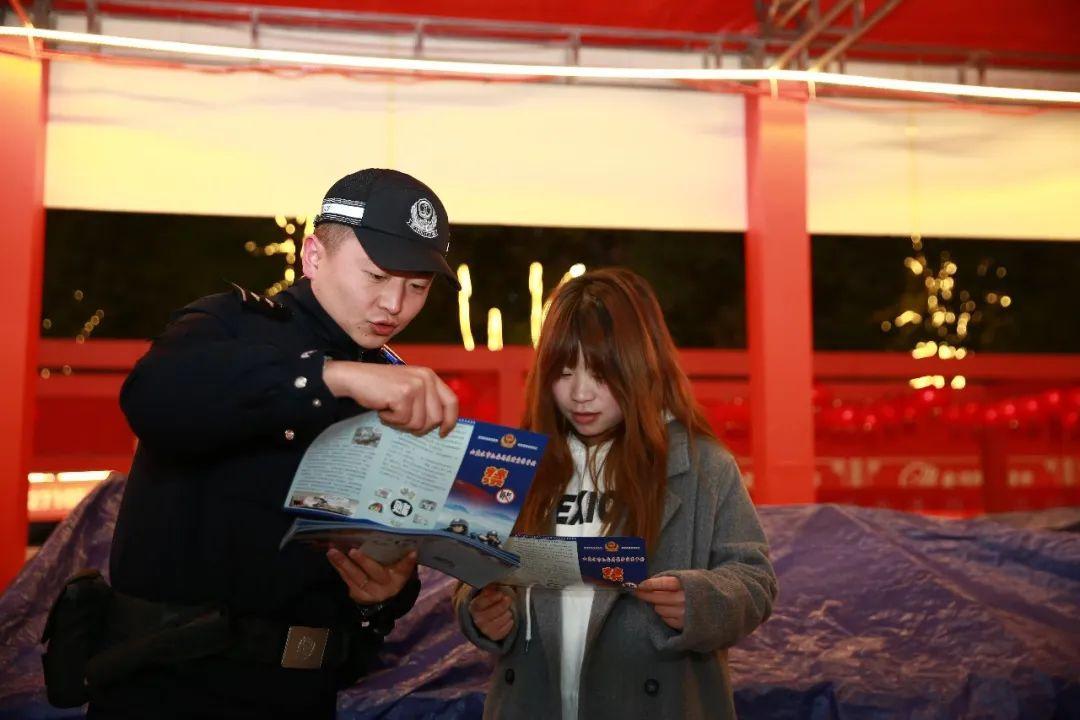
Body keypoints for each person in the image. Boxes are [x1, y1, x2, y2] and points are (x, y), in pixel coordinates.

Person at [89, 169, 461, 719]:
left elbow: (369, 577)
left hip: (304, 693)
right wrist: (329, 378)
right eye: (376, 276)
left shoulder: (392, 387)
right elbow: (152, 398)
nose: (394, 304)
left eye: (417, 288)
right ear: (313, 256)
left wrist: (382, 597)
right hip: (174, 688)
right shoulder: (228, 325)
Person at [455, 268, 778, 720]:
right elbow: (470, 574)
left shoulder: (703, 465)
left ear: (641, 366)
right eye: (564, 372)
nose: (580, 394)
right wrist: (480, 612)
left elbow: (755, 580)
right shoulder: (514, 460)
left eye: (600, 374)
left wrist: (698, 600)